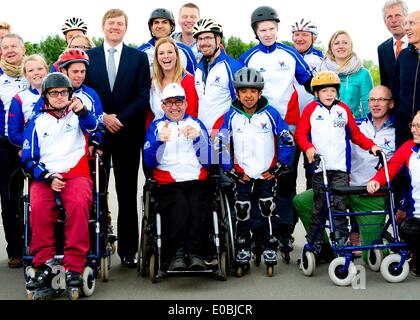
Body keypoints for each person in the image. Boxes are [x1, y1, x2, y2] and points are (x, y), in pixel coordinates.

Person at [239, 6, 313, 256]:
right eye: (263, 30)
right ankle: (257, 232)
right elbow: (239, 90)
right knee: (259, 180)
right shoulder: (249, 57)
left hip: (288, 126)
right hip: (259, 128)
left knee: (285, 182)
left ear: (277, 29)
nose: (268, 33)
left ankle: (285, 232)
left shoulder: (290, 53)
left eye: (271, 29)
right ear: (255, 32)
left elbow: (310, 81)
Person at [294, 85, 396, 262]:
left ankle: (359, 242)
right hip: (343, 183)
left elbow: (397, 164)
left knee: (371, 255)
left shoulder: (398, 132)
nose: (376, 104)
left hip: (371, 194)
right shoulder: (357, 123)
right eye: (372, 100)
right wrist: (309, 147)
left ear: (391, 104)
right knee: (308, 202)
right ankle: (322, 246)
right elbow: (302, 134)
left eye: (381, 100)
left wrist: (372, 148)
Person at [84, 9, 150, 268]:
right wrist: (103, 118)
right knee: (95, 193)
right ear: (102, 27)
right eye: (111, 23)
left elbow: (143, 95)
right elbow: (83, 92)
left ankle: (129, 250)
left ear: (125, 28)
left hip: (127, 134)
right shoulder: (89, 58)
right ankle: (93, 245)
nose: (115, 27)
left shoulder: (138, 57)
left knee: (126, 193)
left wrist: (118, 118)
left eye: (120, 24)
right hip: (97, 136)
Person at [22, 72, 98, 296]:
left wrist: (83, 111)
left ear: (69, 94)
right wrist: (46, 177)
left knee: (78, 204)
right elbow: (27, 158)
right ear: (45, 96)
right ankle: (45, 263)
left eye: (63, 92)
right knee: (39, 208)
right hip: (46, 176)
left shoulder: (79, 115)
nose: (58, 97)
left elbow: (96, 130)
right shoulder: (36, 121)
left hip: (76, 173)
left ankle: (74, 265)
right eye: (54, 93)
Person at [216, 67, 294, 271]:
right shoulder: (231, 116)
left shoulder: (271, 113)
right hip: (242, 174)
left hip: (266, 173)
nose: (248, 96)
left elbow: (287, 140)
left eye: (253, 91)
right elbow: (221, 144)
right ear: (237, 94)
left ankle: (269, 244)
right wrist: (230, 170)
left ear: (260, 93)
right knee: (242, 210)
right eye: (243, 91)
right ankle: (243, 245)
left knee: (267, 209)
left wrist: (279, 167)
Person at [144, 83, 211, 271]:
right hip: (168, 182)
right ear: (163, 106)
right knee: (179, 205)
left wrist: (199, 138)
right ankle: (176, 253)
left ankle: (196, 253)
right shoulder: (156, 126)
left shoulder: (196, 124)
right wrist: (159, 142)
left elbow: (208, 161)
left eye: (178, 102)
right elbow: (149, 162)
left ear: (186, 103)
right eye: (169, 103)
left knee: (197, 205)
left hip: (196, 179)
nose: (174, 107)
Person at [367, 111, 420, 276]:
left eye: (418, 126)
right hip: (416, 218)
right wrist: (376, 180)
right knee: (410, 229)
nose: (413, 130)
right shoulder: (408, 148)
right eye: (413, 125)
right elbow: (390, 167)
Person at [0, 33, 28, 268]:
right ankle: (15, 250)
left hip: (34, 144)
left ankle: (39, 244)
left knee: (38, 196)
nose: (10, 51)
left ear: (23, 49)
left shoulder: (33, 72)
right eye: (5, 47)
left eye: (14, 47)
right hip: (5, 146)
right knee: (10, 198)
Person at [192, 18, 242, 136]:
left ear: (218, 39)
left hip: (223, 134)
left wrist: (223, 130)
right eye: (200, 39)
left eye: (208, 38)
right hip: (201, 134)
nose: (203, 43)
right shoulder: (198, 69)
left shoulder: (233, 67)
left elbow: (241, 105)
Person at [291, 18, 323, 190]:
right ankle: (289, 216)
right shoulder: (286, 55)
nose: (300, 38)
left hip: (311, 124)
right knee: (288, 172)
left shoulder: (322, 59)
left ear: (314, 38)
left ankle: (313, 214)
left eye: (304, 34)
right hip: (289, 121)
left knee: (312, 170)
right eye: (296, 34)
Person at [57, 48, 103, 155]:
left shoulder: (91, 94)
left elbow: (99, 123)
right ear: (64, 71)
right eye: (75, 71)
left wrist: (94, 142)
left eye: (83, 71)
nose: (80, 76)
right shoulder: (51, 94)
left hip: (82, 151)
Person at [319, 30, 373, 119]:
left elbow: (368, 105)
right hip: (326, 126)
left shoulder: (363, 73)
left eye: (345, 43)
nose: (341, 46)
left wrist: (368, 127)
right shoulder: (323, 72)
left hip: (354, 126)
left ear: (351, 46)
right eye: (336, 43)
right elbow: (316, 102)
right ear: (331, 47)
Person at [146, 37, 198, 130]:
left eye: (170, 52)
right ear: (157, 58)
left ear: (177, 56)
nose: (166, 56)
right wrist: (151, 138)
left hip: (184, 135)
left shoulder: (188, 80)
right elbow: (150, 116)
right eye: (161, 53)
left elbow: (192, 114)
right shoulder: (152, 84)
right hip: (157, 137)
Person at [138, 8, 196, 77]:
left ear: (171, 26)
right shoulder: (140, 53)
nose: (160, 26)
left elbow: (195, 82)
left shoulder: (185, 51)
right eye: (156, 22)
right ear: (151, 27)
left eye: (164, 22)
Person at [8, 54, 48, 148]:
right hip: (35, 152)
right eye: (31, 70)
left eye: (40, 69)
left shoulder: (60, 93)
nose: (36, 73)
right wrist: (34, 142)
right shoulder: (19, 98)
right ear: (26, 75)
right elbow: (14, 135)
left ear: (46, 70)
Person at [394, 10, 420, 148]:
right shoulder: (403, 56)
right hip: (403, 131)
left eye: (411, 23)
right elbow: (397, 90)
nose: (406, 28)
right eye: (405, 24)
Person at [378, 0, 409, 101]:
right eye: (389, 17)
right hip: (394, 112)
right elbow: (385, 84)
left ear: (407, 17)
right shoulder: (382, 49)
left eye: (398, 15)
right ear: (384, 21)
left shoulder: (417, 44)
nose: (393, 20)